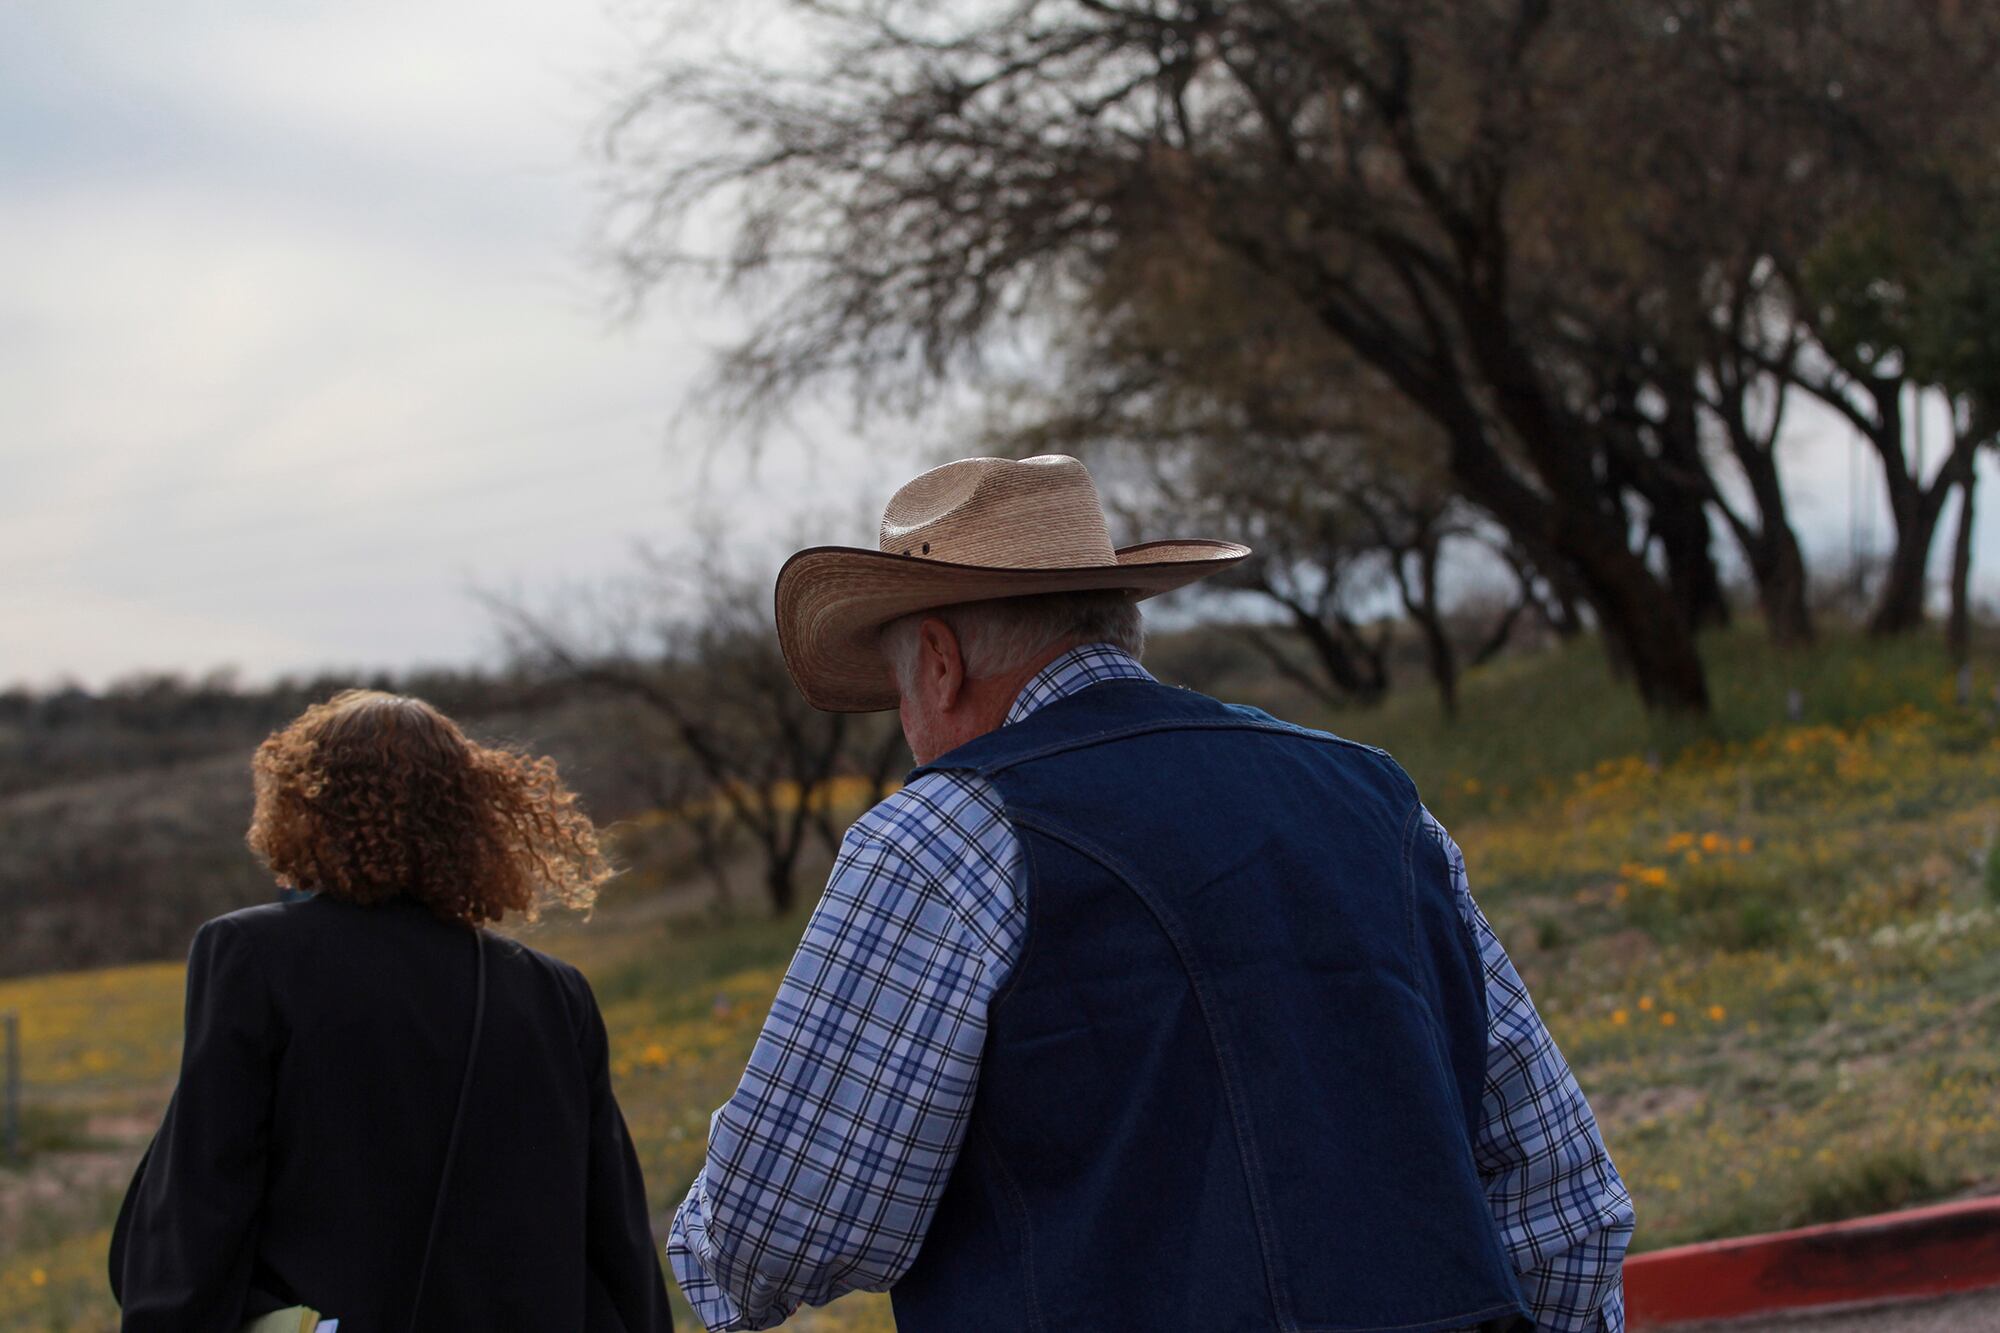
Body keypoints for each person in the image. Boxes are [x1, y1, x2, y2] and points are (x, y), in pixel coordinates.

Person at [667, 455, 1634, 1332]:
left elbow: (776, 1233)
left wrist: (712, 1238)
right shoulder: (1377, 797)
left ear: (942, 660)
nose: (910, 728)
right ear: (1121, 619)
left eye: (900, 689)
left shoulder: (938, 839)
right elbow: (1564, 1203)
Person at [110, 690, 674, 1333]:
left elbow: (202, 1197)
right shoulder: (552, 993)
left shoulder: (252, 955)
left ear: (303, 808)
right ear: (469, 818)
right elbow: (615, 1236)